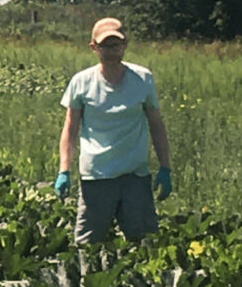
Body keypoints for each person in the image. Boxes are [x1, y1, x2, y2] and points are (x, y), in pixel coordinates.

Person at [55, 16, 172, 244]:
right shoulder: (81, 82)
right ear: (93, 47)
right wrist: (64, 170)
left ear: (125, 44)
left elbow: (156, 126)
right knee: (88, 246)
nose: (111, 51)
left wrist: (165, 168)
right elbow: (70, 129)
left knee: (143, 244)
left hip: (135, 177)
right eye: (105, 45)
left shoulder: (142, 79)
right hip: (96, 177)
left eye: (115, 44)